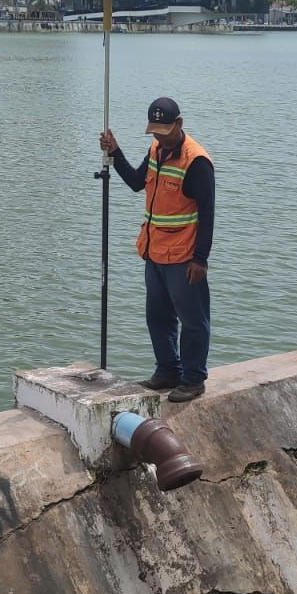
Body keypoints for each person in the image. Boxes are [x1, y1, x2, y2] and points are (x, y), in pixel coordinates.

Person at [100, 96, 214, 402]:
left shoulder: (196, 161)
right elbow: (138, 182)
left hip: (184, 257)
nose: (159, 136)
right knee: (158, 317)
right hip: (155, 253)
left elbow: (208, 213)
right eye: (154, 131)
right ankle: (167, 371)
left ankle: (193, 379)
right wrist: (116, 153)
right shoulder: (156, 150)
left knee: (192, 320)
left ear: (179, 124)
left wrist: (200, 259)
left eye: (164, 130)